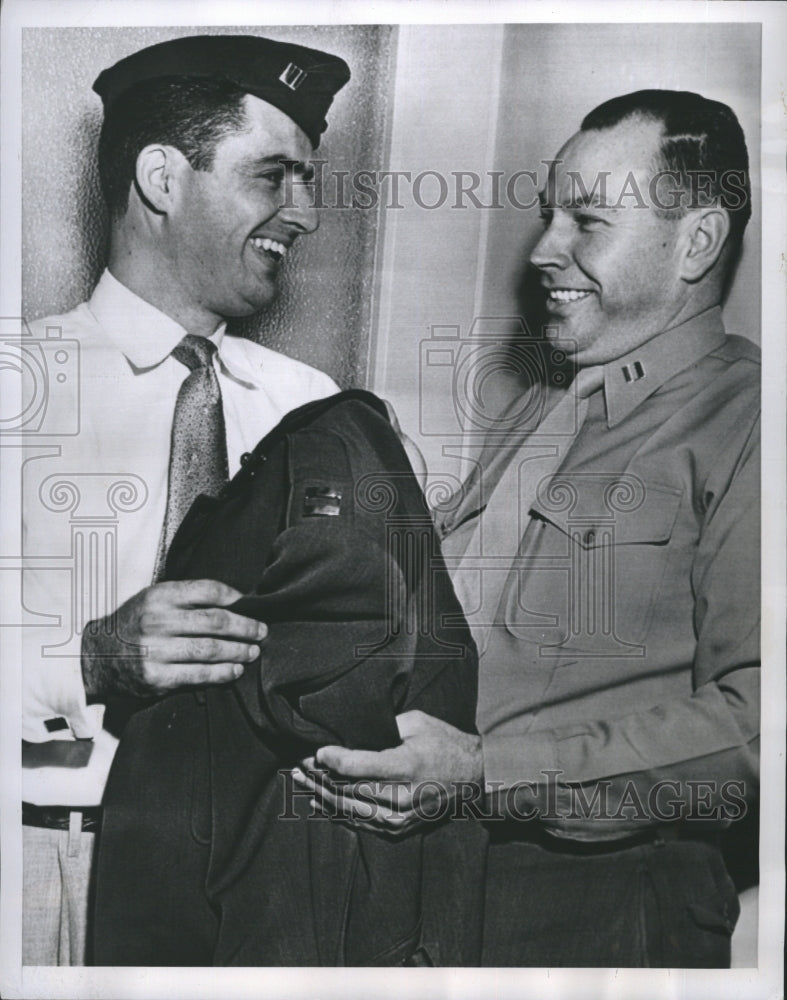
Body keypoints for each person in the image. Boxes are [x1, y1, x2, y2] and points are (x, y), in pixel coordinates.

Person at [298, 89, 760, 968]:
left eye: (587, 220)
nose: (545, 249)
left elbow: (756, 732)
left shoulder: (750, 423)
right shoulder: (541, 404)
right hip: (422, 883)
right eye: (550, 214)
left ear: (696, 241)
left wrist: (485, 773)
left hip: (605, 907)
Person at [21, 33, 350, 965]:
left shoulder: (318, 409)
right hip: (43, 873)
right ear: (162, 178)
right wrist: (87, 660)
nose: (308, 214)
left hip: (256, 890)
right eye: (274, 177)